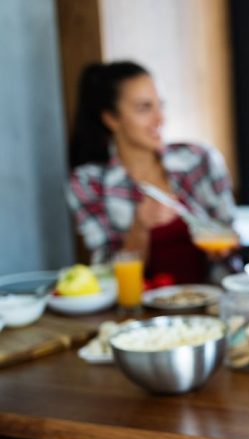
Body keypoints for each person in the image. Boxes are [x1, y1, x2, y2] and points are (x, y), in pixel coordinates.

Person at [66, 61, 236, 284]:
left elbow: (229, 233)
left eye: (160, 106)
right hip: (143, 310)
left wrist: (224, 247)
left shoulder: (199, 159)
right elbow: (107, 276)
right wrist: (139, 227)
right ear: (111, 118)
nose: (160, 119)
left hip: (212, 301)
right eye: (145, 108)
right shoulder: (87, 183)